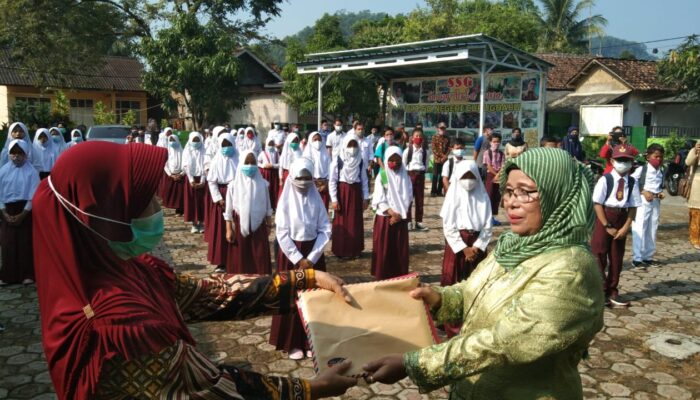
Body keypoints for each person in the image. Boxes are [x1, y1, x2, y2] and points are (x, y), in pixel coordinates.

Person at [32, 141, 356, 400]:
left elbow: (213, 294)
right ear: (108, 215)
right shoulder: (118, 326)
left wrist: (306, 280)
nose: (159, 203)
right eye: (146, 197)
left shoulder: (131, 271)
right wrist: (309, 389)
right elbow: (210, 387)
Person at [362, 148, 604, 400]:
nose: (510, 201)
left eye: (526, 192)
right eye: (509, 191)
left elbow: (508, 341)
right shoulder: (514, 244)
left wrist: (416, 363)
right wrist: (439, 299)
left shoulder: (572, 267)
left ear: (558, 194)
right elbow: (472, 292)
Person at [270, 157, 331, 360]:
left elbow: (325, 228)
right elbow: (282, 232)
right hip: (291, 255)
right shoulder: (286, 200)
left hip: (314, 255)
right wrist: (297, 257)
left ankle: (310, 341)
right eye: (300, 178)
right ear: (292, 178)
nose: (304, 182)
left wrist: (312, 257)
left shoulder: (316, 199)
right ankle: (293, 342)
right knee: (291, 297)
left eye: (308, 178)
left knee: (313, 297)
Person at [439, 160, 492, 337]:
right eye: (464, 177)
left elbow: (487, 225)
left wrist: (476, 246)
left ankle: (474, 321)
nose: (468, 181)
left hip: (477, 245)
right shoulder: (453, 195)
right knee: (453, 281)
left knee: (477, 283)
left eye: (471, 177)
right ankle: (452, 325)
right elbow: (448, 226)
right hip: (458, 245)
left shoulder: (483, 196)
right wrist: (463, 248)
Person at [592, 144, 641, 307]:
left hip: (622, 217)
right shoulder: (605, 179)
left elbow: (633, 206)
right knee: (598, 254)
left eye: (626, 160)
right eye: (620, 160)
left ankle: (612, 291)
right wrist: (607, 225)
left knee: (616, 257)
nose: (623, 163)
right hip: (605, 216)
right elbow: (597, 203)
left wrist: (626, 227)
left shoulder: (632, 182)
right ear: (612, 161)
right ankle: (599, 290)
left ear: (631, 162)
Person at [225, 150, 272, 275]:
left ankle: (261, 283)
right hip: (239, 224)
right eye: (247, 162)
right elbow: (228, 210)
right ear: (241, 163)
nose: (250, 166)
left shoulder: (263, 184)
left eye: (253, 163)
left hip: (259, 225)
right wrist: (229, 229)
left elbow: (268, 205)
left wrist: (269, 224)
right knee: (241, 257)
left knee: (259, 256)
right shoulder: (233, 185)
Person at [0, 139, 40, 285]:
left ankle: (26, 274)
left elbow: (33, 194)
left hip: (25, 210)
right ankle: (7, 275)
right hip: (7, 210)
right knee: (7, 243)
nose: (16, 156)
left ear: (25, 154)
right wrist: (4, 213)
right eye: (13, 153)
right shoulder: (3, 171)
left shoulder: (32, 172)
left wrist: (23, 214)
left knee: (25, 243)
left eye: (20, 153)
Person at [371, 146, 412, 280]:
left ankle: (399, 274)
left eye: (397, 160)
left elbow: (408, 197)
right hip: (385, 218)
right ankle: (382, 274)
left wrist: (399, 215)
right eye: (391, 160)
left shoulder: (405, 176)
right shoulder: (382, 175)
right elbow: (379, 198)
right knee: (384, 249)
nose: (394, 163)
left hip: (400, 218)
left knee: (398, 249)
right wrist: (391, 212)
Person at [329, 134, 370, 259]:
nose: (352, 148)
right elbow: (332, 180)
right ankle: (341, 250)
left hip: (355, 193)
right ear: (345, 145)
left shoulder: (361, 160)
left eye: (354, 145)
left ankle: (355, 250)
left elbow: (364, 180)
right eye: (350, 145)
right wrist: (334, 199)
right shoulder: (338, 160)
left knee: (355, 222)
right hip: (343, 192)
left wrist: (366, 197)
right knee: (342, 221)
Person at [206, 132, 238, 273]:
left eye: (229, 145)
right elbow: (212, 181)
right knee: (221, 230)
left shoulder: (239, 159)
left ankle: (237, 259)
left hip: (237, 195)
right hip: (222, 197)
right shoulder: (216, 161)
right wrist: (218, 198)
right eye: (224, 145)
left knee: (237, 227)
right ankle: (221, 261)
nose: (226, 147)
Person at [631, 144, 665, 268]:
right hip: (643, 202)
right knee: (640, 228)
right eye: (656, 156)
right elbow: (631, 181)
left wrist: (660, 192)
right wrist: (642, 191)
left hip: (655, 202)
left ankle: (648, 257)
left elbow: (659, 185)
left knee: (652, 228)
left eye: (661, 157)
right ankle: (637, 258)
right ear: (648, 157)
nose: (659, 159)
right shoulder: (642, 169)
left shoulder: (660, 170)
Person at [403, 128, 429, 231]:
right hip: (410, 175)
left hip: (420, 176)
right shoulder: (407, 151)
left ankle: (419, 222)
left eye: (420, 136)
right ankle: (408, 221)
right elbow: (404, 164)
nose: (418, 138)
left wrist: (421, 173)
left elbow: (426, 165)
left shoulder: (425, 152)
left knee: (419, 199)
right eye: (416, 136)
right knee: (409, 198)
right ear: (412, 138)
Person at [182, 132, 207, 234]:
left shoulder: (205, 151)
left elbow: (207, 165)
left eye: (197, 140)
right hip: (190, 179)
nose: (196, 142)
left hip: (202, 179)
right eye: (194, 140)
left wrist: (203, 180)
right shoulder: (187, 150)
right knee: (192, 202)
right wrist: (191, 180)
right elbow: (186, 166)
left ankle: (201, 223)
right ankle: (194, 224)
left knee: (202, 202)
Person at [303, 131, 331, 209]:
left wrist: (326, 184)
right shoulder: (306, 154)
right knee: (312, 207)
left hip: (324, 183)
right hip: (311, 184)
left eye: (319, 139)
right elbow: (305, 170)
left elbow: (330, 169)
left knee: (323, 207)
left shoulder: (326, 153)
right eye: (315, 139)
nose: (317, 141)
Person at [483, 132, 504, 226]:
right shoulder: (487, 153)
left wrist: (499, 174)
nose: (496, 143)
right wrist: (495, 174)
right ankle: (486, 218)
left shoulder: (501, 153)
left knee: (496, 197)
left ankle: (492, 217)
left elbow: (503, 165)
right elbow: (488, 166)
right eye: (494, 141)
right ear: (490, 142)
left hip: (499, 176)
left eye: (498, 141)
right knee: (489, 196)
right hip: (490, 175)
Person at [161, 134, 185, 216]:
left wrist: (181, 174)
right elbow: (165, 165)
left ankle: (181, 210)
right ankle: (176, 208)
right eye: (170, 140)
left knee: (181, 194)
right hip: (171, 176)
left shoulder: (183, 152)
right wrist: (171, 175)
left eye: (173, 140)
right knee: (173, 194)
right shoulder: (168, 152)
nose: (172, 142)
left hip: (181, 176)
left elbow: (186, 164)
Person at [258, 137, 280, 210]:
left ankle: (274, 205)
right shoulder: (263, 153)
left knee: (274, 189)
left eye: (272, 144)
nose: (271, 146)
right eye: (269, 144)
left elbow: (280, 164)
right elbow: (258, 162)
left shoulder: (276, 153)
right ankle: (267, 206)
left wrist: (273, 165)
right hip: (266, 173)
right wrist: (263, 165)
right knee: (267, 189)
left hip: (274, 173)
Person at [278, 132, 302, 200]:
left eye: (296, 141)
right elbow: (281, 167)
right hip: (287, 174)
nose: (295, 143)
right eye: (293, 141)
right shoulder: (284, 153)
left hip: (297, 175)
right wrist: (280, 179)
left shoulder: (300, 151)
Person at [686, 140, 700, 249]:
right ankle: (695, 239)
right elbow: (688, 162)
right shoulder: (695, 150)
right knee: (696, 214)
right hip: (697, 187)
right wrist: (696, 152)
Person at [430, 122, 451, 196]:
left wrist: (445, 156)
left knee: (443, 176)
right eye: (441, 128)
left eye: (444, 128)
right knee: (435, 176)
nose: (443, 130)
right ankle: (433, 191)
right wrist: (443, 156)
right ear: (438, 129)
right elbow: (434, 149)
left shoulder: (447, 138)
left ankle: (439, 191)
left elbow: (449, 148)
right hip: (437, 160)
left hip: (444, 160)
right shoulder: (434, 137)